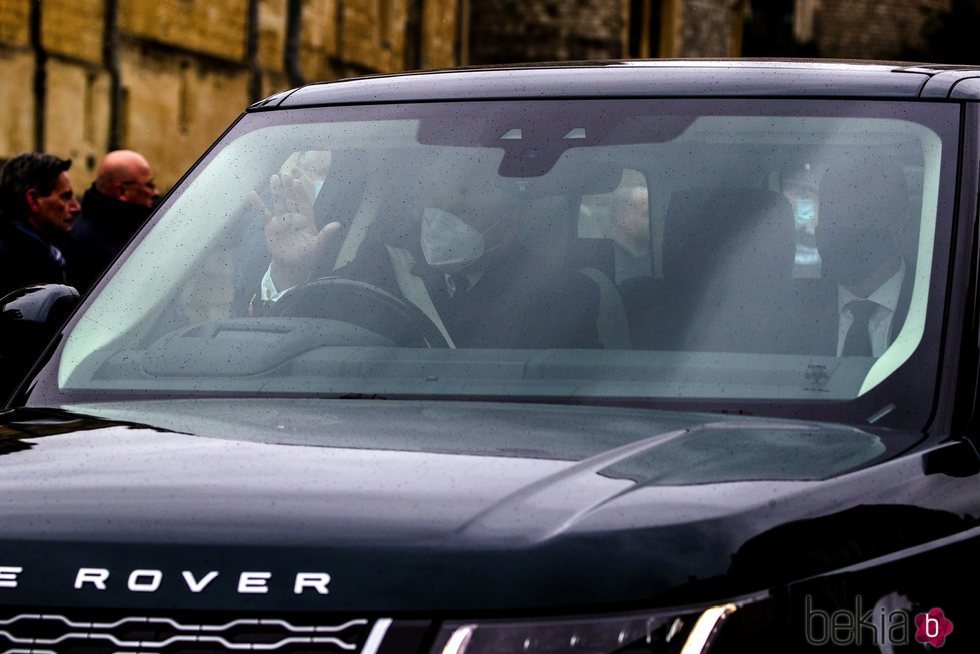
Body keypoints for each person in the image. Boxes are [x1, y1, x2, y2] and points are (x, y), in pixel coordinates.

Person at [248, 169, 601, 349]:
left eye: (461, 211)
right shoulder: (382, 267)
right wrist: (290, 274)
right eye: (435, 208)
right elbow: (301, 335)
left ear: (507, 225)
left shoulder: (565, 294)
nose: (441, 222)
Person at [810, 157, 914, 357]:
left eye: (859, 216)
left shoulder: (945, 307)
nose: (839, 231)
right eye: (830, 217)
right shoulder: (786, 314)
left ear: (902, 226)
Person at [65, 150, 159, 293]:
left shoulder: (138, 227)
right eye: (149, 185)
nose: (156, 192)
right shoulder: (82, 243)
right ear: (121, 191)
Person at [0, 153, 81, 298]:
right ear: (33, 200)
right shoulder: (18, 263)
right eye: (65, 196)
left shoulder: (46, 251)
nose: (76, 207)